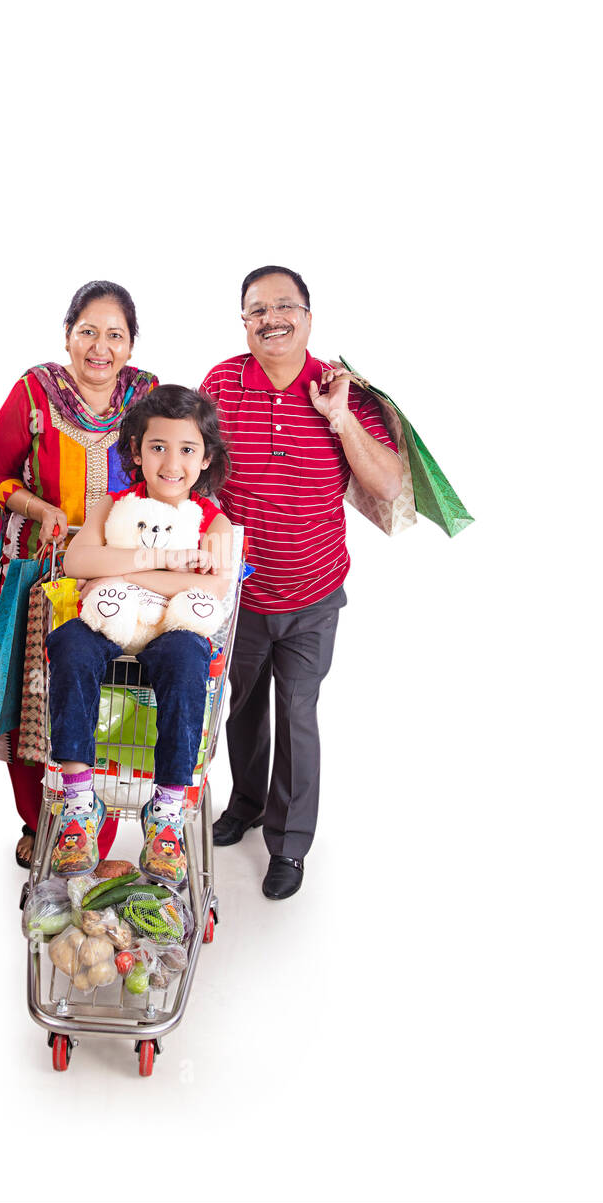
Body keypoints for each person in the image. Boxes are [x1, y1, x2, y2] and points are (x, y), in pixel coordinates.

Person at [200, 266, 403, 901]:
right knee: (240, 708)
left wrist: (339, 417)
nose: (272, 319)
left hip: (314, 593)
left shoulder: (344, 390)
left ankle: (289, 845)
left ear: (309, 318)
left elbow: (391, 486)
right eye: (257, 310)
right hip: (240, 595)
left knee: (297, 713)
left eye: (285, 306)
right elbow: (194, 471)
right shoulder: (221, 384)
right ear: (244, 322)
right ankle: (247, 803)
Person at [0, 281, 157, 868]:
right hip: (37, 576)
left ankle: (92, 833)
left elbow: (171, 469)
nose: (100, 347)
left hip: (117, 582)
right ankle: (37, 821)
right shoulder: (35, 391)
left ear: (131, 346)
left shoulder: (148, 397)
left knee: (108, 697)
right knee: (34, 698)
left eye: (115, 335)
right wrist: (40, 509)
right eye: (88, 332)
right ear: (67, 335)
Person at [45, 385, 233, 885]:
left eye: (187, 449)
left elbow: (212, 586)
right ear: (136, 451)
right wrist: (166, 562)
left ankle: (167, 811)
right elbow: (76, 561)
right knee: (69, 643)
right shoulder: (113, 506)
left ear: (206, 457)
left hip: (169, 630)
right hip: (111, 622)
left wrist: (120, 570)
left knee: (187, 657)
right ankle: (80, 802)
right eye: (158, 447)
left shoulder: (214, 522)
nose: (172, 462)